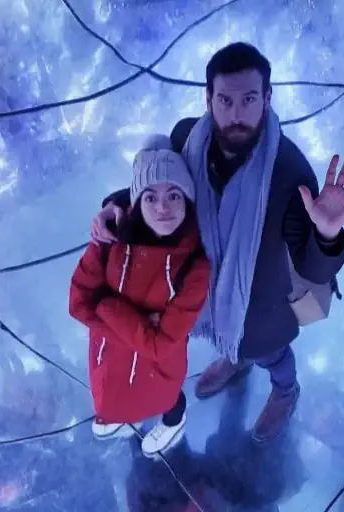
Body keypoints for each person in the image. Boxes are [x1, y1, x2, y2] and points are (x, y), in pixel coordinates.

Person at [91, 42, 344, 443]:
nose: (236, 114)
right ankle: (234, 359)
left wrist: (326, 232)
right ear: (208, 99)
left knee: (269, 354)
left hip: (262, 306)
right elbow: (159, 188)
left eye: (249, 99)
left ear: (267, 98)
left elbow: (312, 267)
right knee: (227, 340)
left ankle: (285, 391)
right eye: (225, 100)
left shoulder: (289, 173)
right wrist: (115, 206)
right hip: (203, 290)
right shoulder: (187, 138)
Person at [69, 134, 210, 456]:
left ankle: (174, 421)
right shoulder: (112, 240)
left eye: (174, 195)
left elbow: (161, 346)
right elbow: (77, 304)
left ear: (187, 200)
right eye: (150, 197)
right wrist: (144, 326)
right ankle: (122, 413)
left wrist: (107, 307)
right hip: (112, 360)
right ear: (137, 203)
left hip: (155, 367)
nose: (162, 208)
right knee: (115, 394)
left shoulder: (193, 266)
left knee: (166, 397)